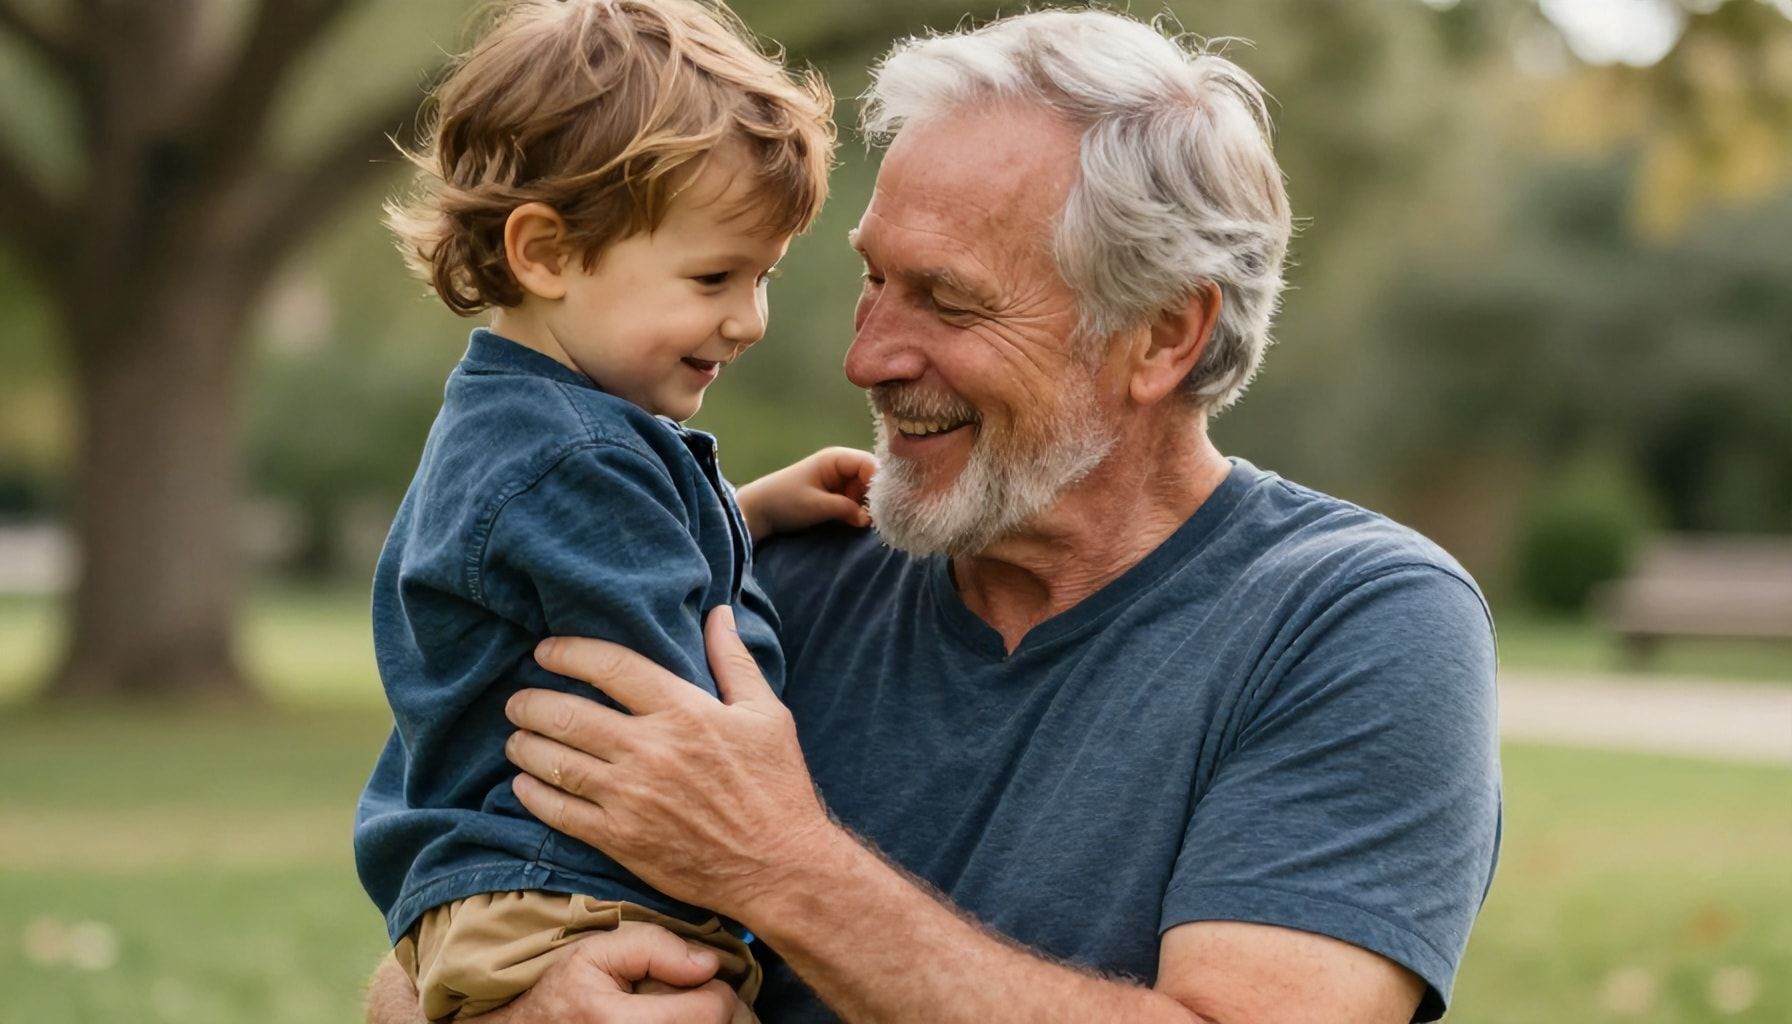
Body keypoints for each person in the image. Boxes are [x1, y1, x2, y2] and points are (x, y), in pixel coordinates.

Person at [367, 8, 1502, 1024]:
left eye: (947, 299)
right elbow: (444, 877)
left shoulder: (1354, 624)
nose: (864, 356)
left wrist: (781, 862)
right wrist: (510, 1004)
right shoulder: (766, 571)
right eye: (873, 279)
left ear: (1161, 336)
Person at [353, 1, 871, 1020]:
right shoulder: (576, 456)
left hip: (504, 891)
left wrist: (747, 513)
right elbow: (680, 704)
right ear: (545, 251)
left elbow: (581, 575)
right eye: (714, 276)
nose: (750, 319)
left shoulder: (527, 424)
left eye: (762, 277)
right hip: (577, 896)